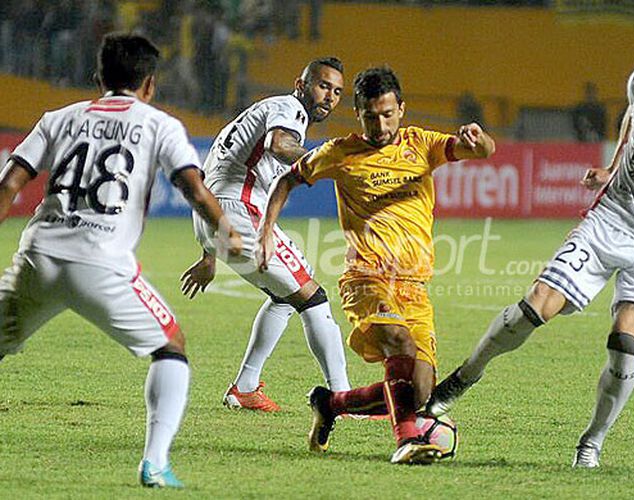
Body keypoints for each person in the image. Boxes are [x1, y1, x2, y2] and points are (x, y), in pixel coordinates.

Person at [425, 26, 634, 468]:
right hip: (609, 220)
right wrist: (614, 166)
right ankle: (462, 379)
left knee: (624, 344)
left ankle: (591, 443)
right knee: (535, 306)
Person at [0, 33, 242, 488]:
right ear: (149, 84)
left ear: (99, 77)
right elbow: (192, 185)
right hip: (101, 262)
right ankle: (155, 463)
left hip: (39, 255)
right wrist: (224, 228)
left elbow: (10, 185)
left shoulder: (59, 118)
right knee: (171, 345)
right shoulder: (160, 124)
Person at [257, 66, 495, 464]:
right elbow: (287, 181)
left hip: (414, 287)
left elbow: (481, 151)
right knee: (398, 345)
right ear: (358, 113)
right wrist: (266, 230)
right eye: (371, 116)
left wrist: (479, 139)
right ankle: (407, 440)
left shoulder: (422, 145)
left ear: (401, 109)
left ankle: (330, 404)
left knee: (417, 393)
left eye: (387, 114)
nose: (380, 125)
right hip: (366, 278)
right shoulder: (340, 153)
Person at [180, 57, 351, 411]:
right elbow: (279, 145)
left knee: (285, 298)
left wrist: (208, 253)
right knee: (312, 297)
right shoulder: (289, 109)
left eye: (336, 92)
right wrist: (326, 161)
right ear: (300, 84)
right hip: (239, 213)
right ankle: (344, 398)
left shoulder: (259, 112)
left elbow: (212, 170)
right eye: (322, 86)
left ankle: (244, 387)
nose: (329, 97)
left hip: (218, 216)